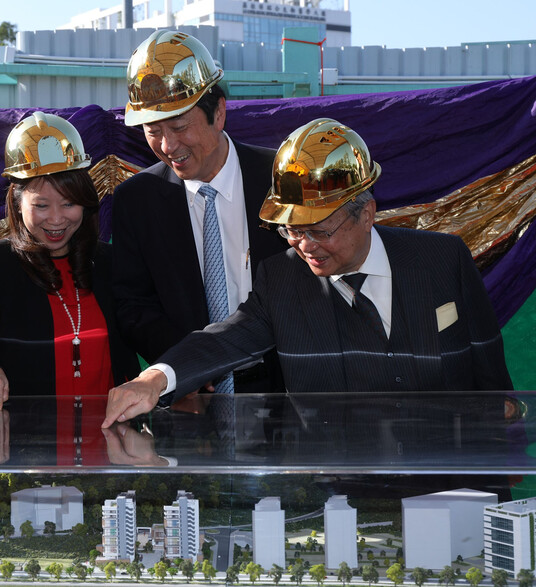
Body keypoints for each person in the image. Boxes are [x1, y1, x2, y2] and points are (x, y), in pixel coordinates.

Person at [103, 118, 513, 427]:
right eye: (292, 231)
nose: (304, 246)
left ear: (367, 213)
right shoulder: (282, 279)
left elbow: (494, 384)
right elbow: (225, 340)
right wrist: (156, 379)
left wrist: (503, 455)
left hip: (448, 486)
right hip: (339, 500)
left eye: (320, 231)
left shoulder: (444, 261)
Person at [111, 30, 288, 394]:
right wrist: (188, 365)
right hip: (190, 395)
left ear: (219, 112)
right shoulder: (137, 200)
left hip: (286, 389)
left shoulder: (280, 179)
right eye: (153, 130)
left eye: (178, 127)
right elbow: (133, 306)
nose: (167, 145)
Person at [0, 112, 140, 409]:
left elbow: (141, 334)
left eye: (69, 203)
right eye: (41, 205)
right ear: (17, 201)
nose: (56, 219)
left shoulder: (109, 261)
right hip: (29, 443)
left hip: (108, 439)